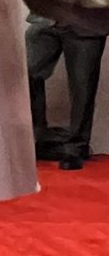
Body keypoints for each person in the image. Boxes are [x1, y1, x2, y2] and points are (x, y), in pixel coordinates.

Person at [26, 12, 106, 171]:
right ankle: (37, 135)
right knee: (26, 73)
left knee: (82, 86)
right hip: (46, 18)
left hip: (87, 23)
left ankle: (76, 147)